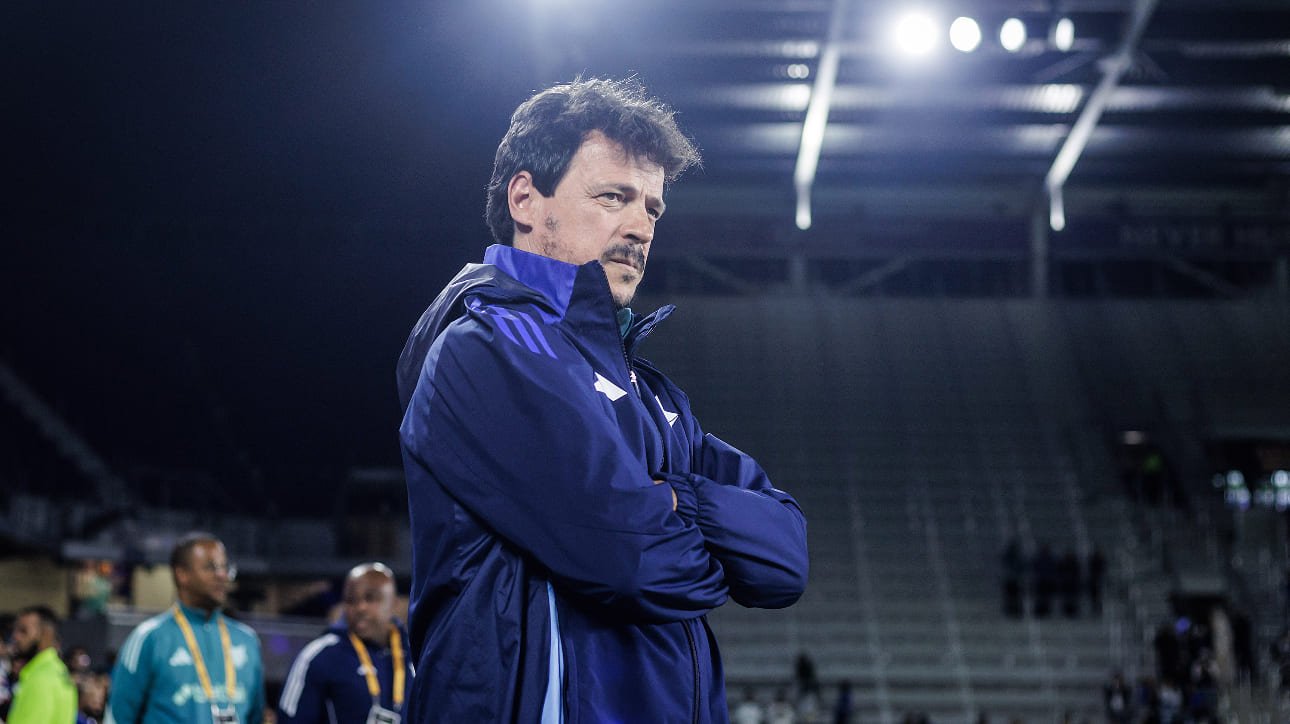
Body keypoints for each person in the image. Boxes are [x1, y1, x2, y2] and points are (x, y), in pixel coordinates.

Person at [396, 77, 810, 722]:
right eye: (613, 197)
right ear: (527, 199)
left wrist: (678, 500)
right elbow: (636, 562)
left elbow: (785, 560)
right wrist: (707, 540)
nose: (640, 227)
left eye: (652, 208)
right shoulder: (485, 348)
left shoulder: (654, 393)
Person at [107, 531, 265, 723]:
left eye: (225, 567)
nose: (222, 575)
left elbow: (255, 717)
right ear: (182, 574)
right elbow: (118, 717)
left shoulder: (247, 640)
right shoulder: (149, 638)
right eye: (211, 567)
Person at [278, 562, 413, 723]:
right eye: (351, 600)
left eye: (370, 598)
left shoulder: (417, 655)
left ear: (393, 604)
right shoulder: (319, 656)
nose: (360, 607)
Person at [6, 605, 77, 724]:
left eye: (23, 631)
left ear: (46, 635)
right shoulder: (59, 672)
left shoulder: (40, 678)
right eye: (16, 630)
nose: (15, 637)